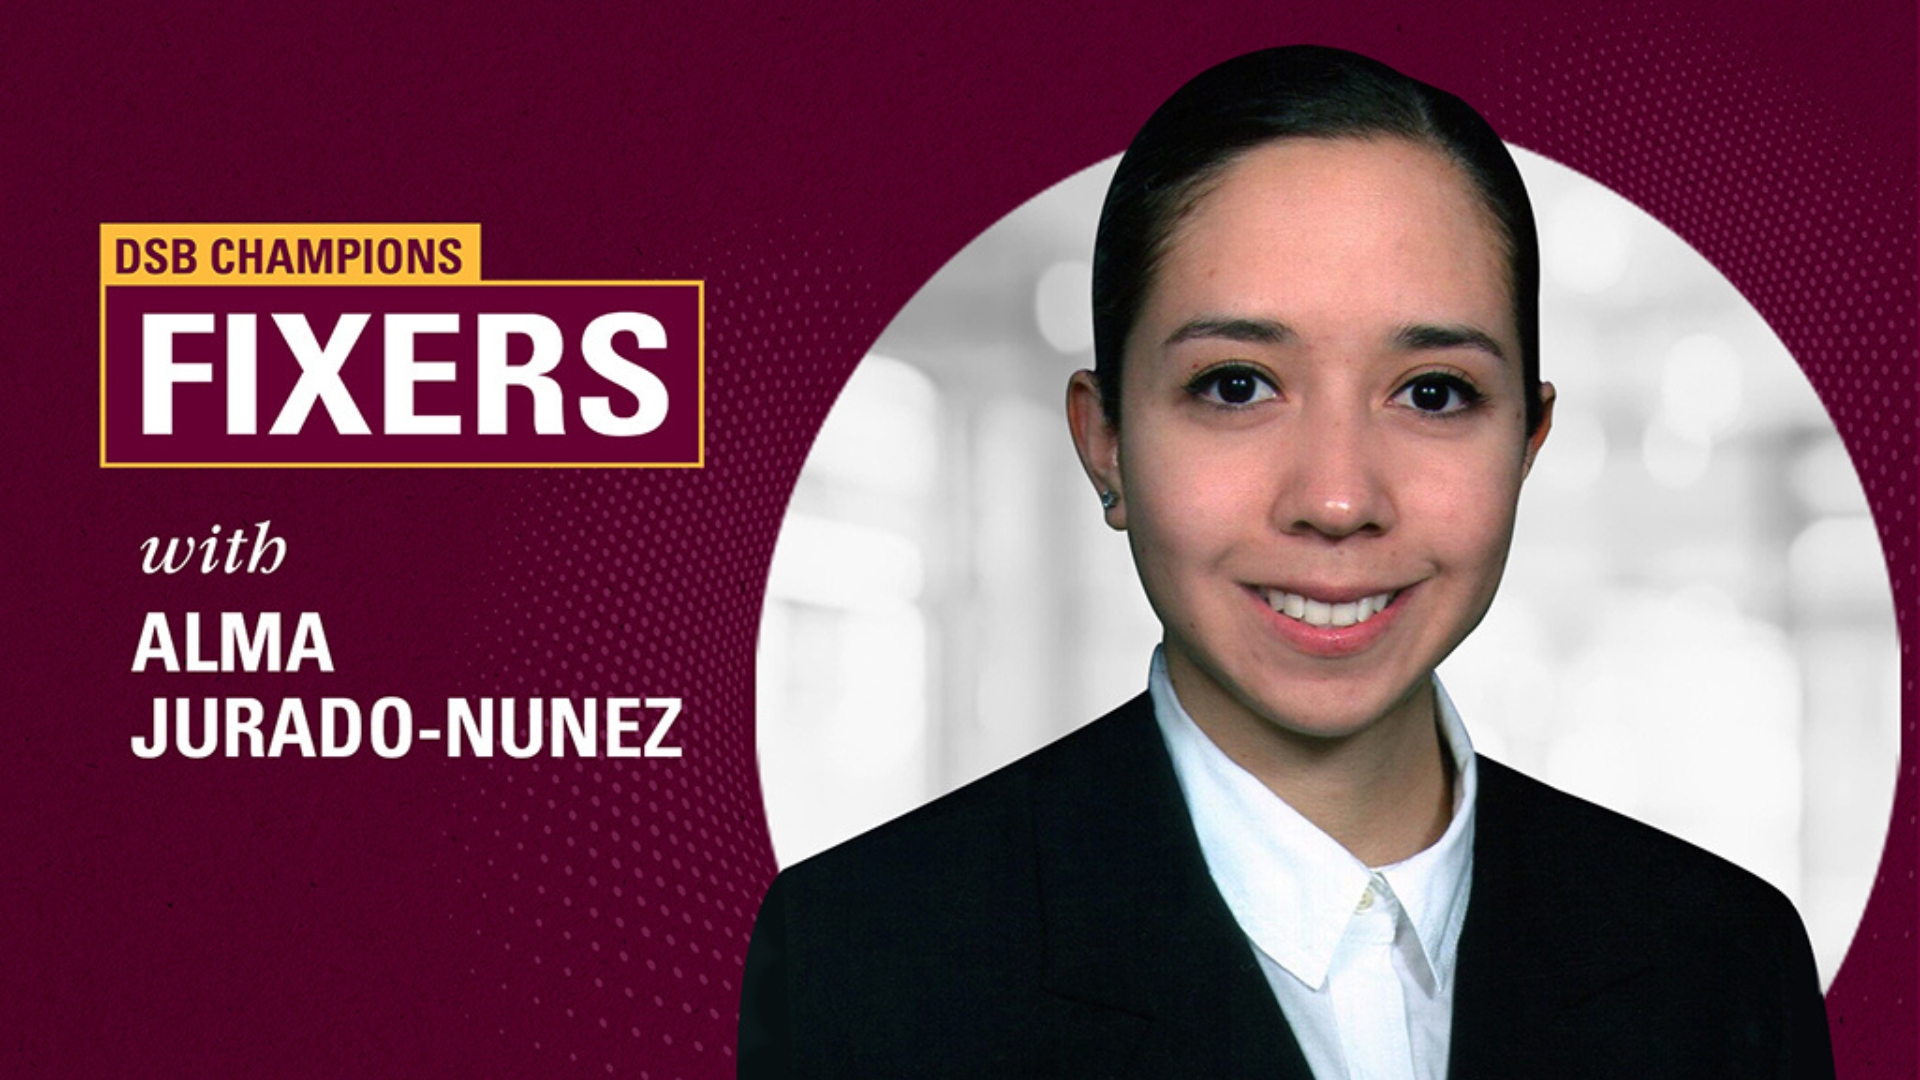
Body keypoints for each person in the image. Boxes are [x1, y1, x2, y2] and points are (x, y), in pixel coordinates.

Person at [738, 46, 1834, 1079]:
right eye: (1236, 386)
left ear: (1527, 443)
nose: (1339, 499)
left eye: (1435, 392)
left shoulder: (1726, 964)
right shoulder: (867, 963)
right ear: (1105, 443)